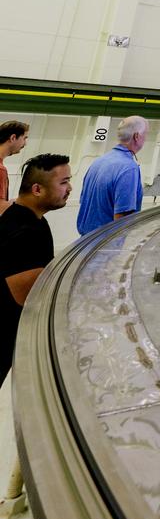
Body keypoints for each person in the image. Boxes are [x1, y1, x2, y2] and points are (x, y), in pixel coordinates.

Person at [0, 153, 72, 387]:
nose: (69, 188)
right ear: (37, 189)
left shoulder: (31, 219)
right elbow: (28, 296)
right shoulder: (25, 232)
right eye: (63, 182)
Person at [76, 116, 148, 236]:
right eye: (145, 134)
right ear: (137, 136)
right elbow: (122, 219)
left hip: (85, 242)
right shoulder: (129, 168)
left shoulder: (99, 161)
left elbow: (84, 201)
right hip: (105, 246)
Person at [0, 120, 29, 215]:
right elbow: (1, 208)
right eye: (24, 138)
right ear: (13, 138)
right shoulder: (1, 170)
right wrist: (26, 201)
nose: (25, 144)